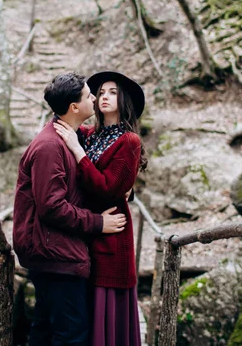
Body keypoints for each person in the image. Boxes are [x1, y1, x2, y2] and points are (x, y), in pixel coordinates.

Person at [12, 72, 128, 346]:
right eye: (90, 95)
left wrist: (124, 187)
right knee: (72, 334)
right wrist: (98, 223)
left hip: (54, 249)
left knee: (45, 329)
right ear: (75, 107)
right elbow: (51, 207)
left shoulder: (68, 136)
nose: (95, 99)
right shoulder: (51, 145)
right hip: (54, 252)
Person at [53, 71, 147, 346]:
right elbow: (60, 118)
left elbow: (108, 188)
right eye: (101, 92)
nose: (104, 96)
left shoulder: (129, 141)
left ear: (124, 99)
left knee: (106, 314)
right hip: (89, 231)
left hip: (112, 236)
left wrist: (77, 152)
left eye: (113, 92)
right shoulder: (88, 134)